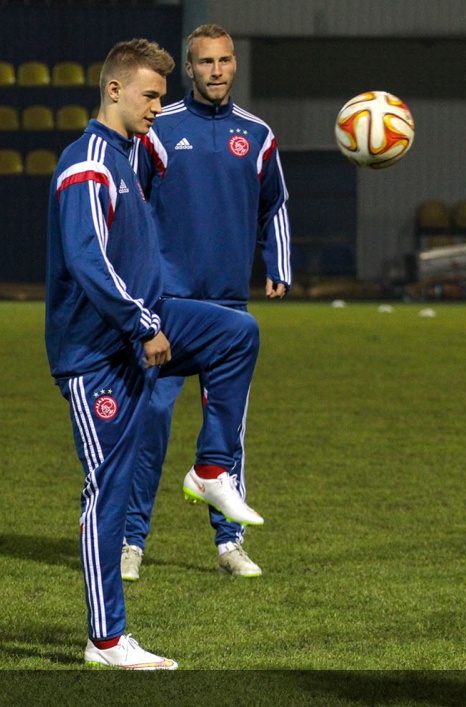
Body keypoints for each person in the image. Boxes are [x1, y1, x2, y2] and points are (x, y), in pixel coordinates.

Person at [45, 38, 265, 670]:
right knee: (107, 491)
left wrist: (150, 319)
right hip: (97, 354)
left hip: (143, 323)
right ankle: (106, 641)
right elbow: (89, 262)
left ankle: (213, 469)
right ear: (114, 90)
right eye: (149, 95)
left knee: (237, 333)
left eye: (162, 96)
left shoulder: (127, 155)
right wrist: (143, 325)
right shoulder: (88, 164)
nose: (157, 108)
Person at [122, 23, 291, 581]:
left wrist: (278, 262)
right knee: (149, 422)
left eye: (224, 60)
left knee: (227, 431)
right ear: (189, 69)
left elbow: (275, 203)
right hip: (166, 306)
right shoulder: (159, 129)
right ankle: (130, 541)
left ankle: (229, 543)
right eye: (205, 62)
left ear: (234, 65)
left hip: (229, 307)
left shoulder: (258, 135)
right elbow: (131, 202)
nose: (216, 70)